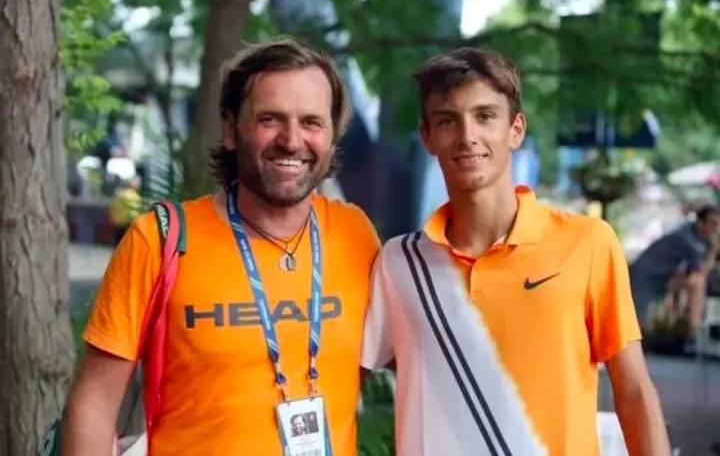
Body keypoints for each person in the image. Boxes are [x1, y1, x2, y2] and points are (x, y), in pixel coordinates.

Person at [61, 37, 380, 455]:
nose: (291, 139)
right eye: (270, 119)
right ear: (231, 129)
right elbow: (95, 404)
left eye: (311, 122)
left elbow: (425, 356)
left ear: (333, 135)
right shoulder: (159, 239)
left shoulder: (355, 234)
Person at [361, 48, 671, 456]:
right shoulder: (398, 263)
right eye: (448, 120)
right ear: (427, 136)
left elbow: (633, 393)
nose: (467, 136)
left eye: (485, 116)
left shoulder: (588, 243)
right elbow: (346, 381)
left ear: (516, 129)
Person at [630, 204, 720, 334]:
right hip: (647, 279)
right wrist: (713, 250)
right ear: (700, 222)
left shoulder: (688, 231)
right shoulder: (689, 241)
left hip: (660, 275)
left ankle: (688, 327)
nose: (715, 228)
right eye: (712, 223)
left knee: (692, 281)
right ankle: (695, 332)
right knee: (697, 282)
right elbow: (700, 272)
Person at [109, 176, 143, 245]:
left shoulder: (121, 195)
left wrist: (113, 218)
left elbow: (114, 207)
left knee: (118, 243)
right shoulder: (137, 197)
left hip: (120, 223)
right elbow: (138, 211)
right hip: (131, 223)